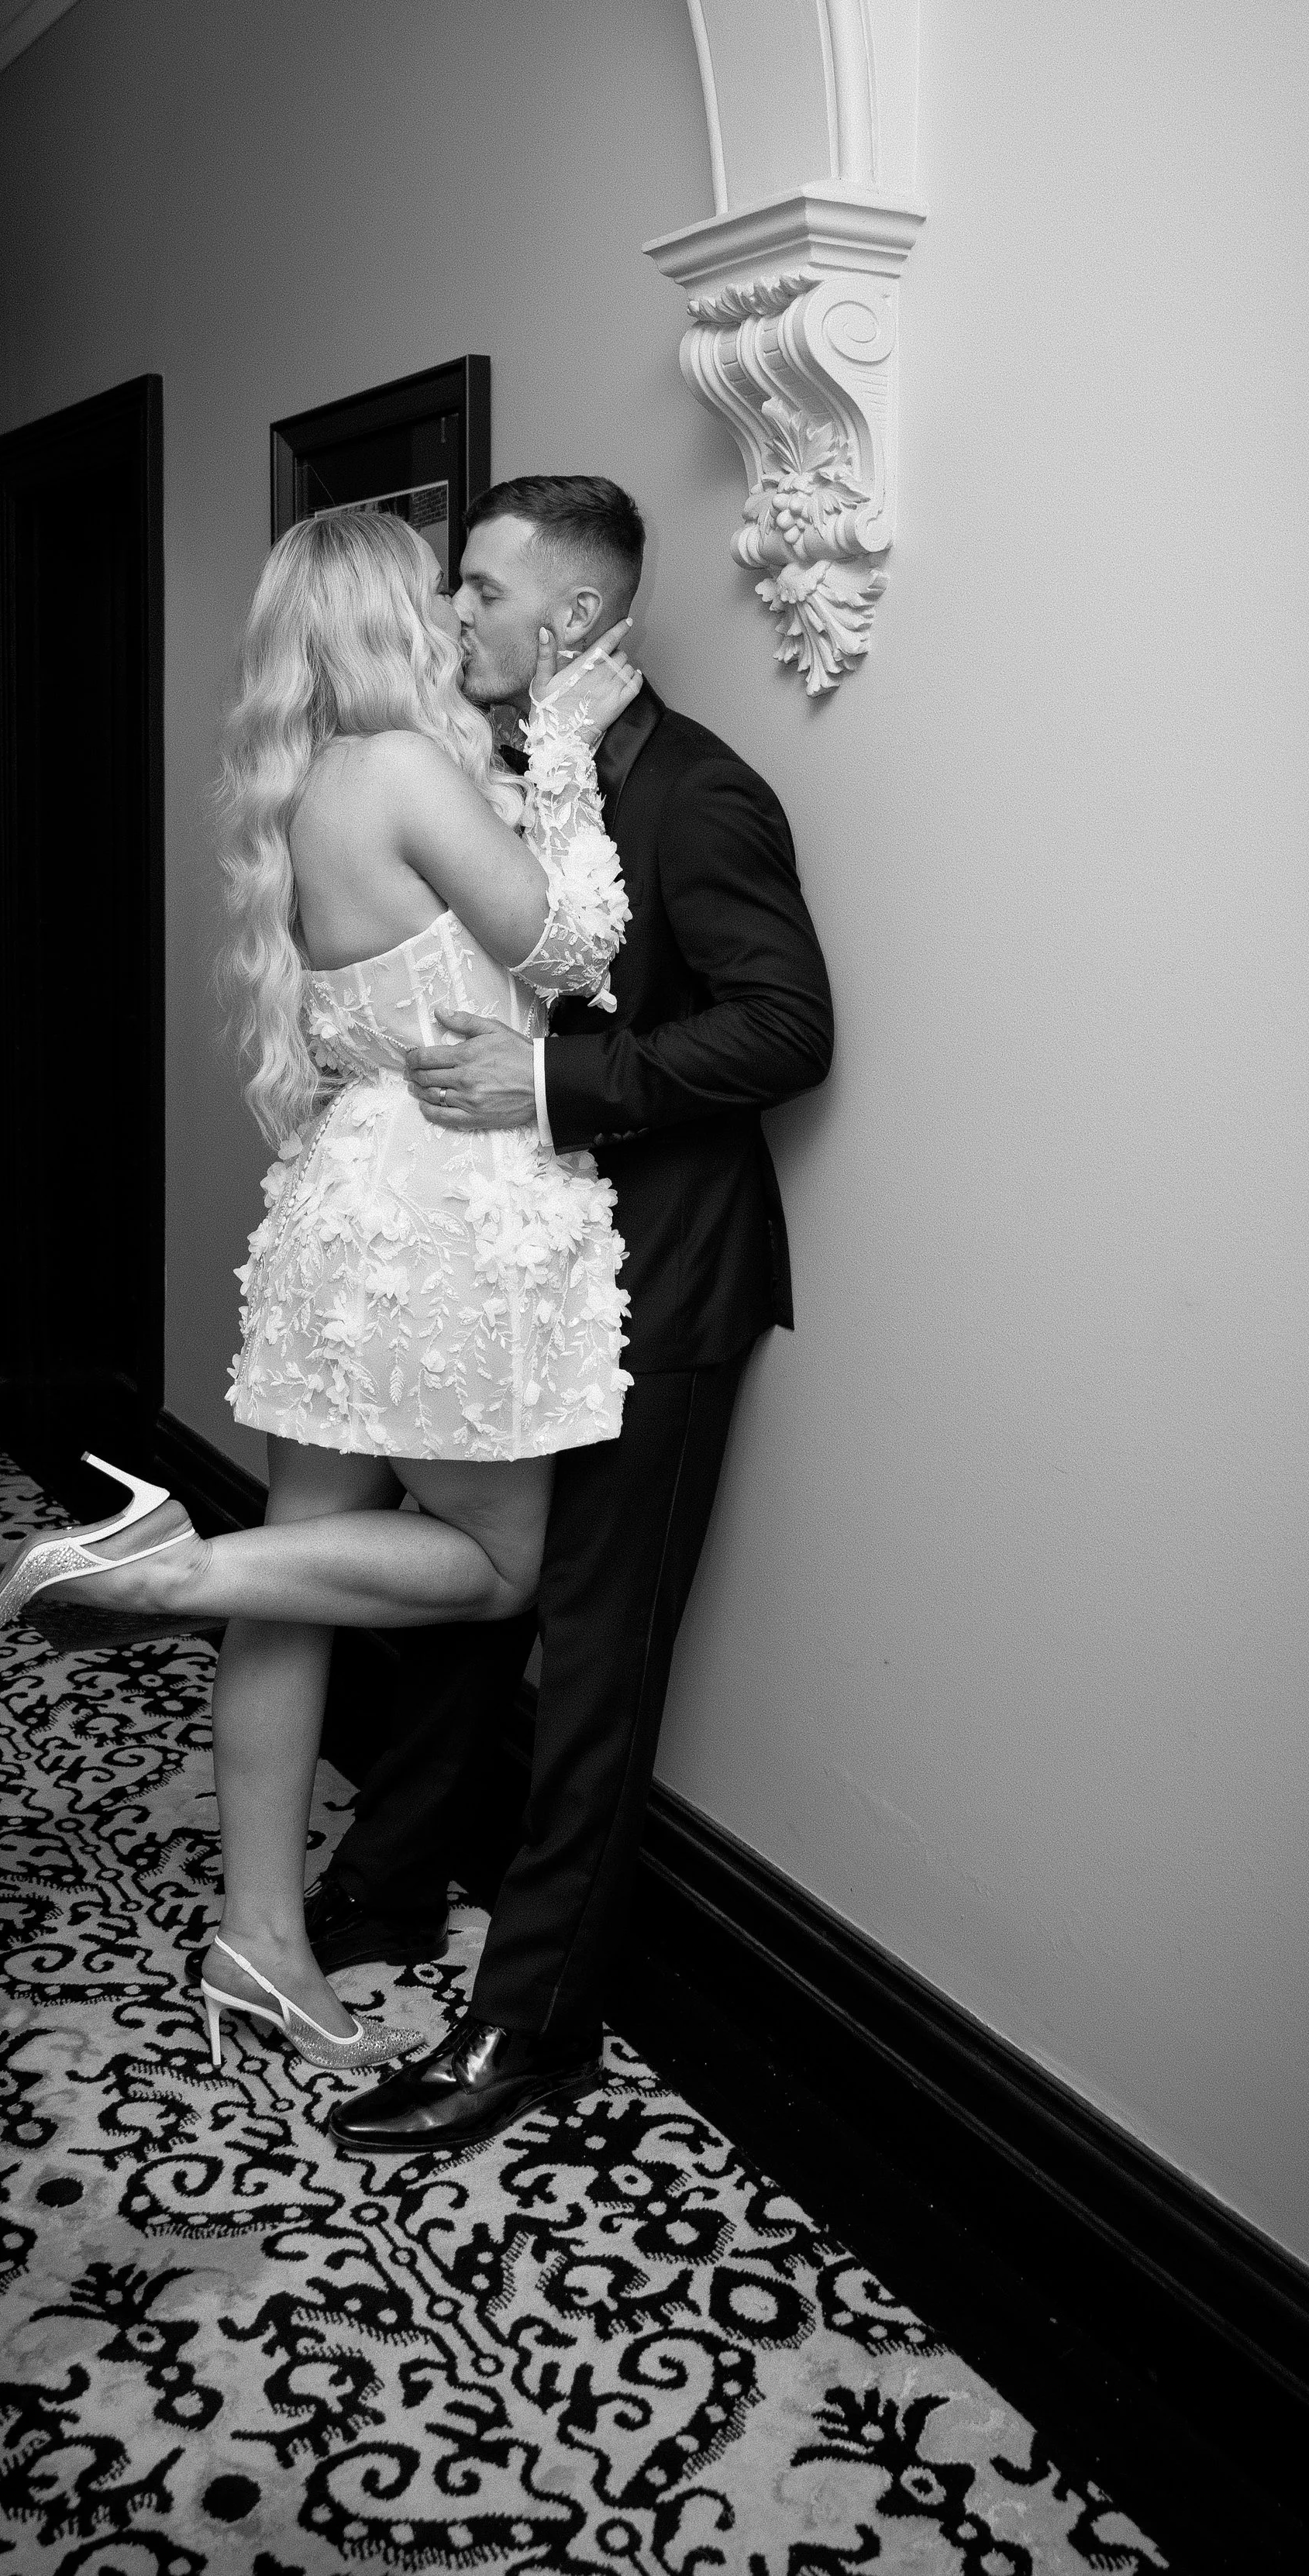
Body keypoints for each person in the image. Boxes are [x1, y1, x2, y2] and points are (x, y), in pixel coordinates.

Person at [0, 505, 642, 2072]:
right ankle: (152, 1573)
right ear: (382, 620)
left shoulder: (320, 780)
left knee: (309, 1572)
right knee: (493, 1568)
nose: (464, 613)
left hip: (347, 1203)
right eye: (444, 592)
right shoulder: (405, 769)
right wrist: (568, 743)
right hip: (439, 1212)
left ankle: (257, 1941)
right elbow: (578, 950)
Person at [313, 473, 835, 2157]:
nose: (448, 617)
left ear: (577, 619)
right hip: (507, 1279)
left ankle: (524, 2026)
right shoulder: (481, 775)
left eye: (475, 590)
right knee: (470, 1586)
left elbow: (785, 1031)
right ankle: (385, 1888)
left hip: (658, 1291)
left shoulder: (694, 793)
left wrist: (549, 1083)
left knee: (593, 1660)